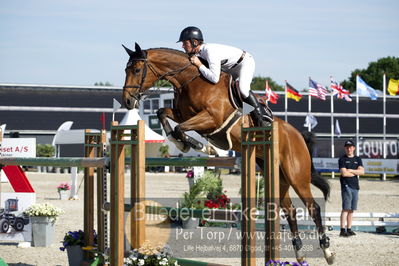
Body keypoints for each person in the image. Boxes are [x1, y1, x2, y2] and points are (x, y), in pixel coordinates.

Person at [177, 26, 273, 126]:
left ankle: (261, 118)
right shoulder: (199, 54)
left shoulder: (209, 51)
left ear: (195, 42)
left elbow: (214, 78)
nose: (183, 46)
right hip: (230, 67)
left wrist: (199, 65)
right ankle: (237, 114)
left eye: (185, 43)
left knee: (243, 89)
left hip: (245, 62)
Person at [338, 140, 364, 237]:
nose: (349, 149)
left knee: (351, 209)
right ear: (345, 148)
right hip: (346, 186)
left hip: (355, 186)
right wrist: (356, 171)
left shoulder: (358, 159)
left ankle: (349, 229)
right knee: (345, 208)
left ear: (354, 148)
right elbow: (344, 173)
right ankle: (342, 230)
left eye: (351, 147)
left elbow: (362, 172)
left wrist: (351, 171)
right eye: (347, 147)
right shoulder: (342, 159)